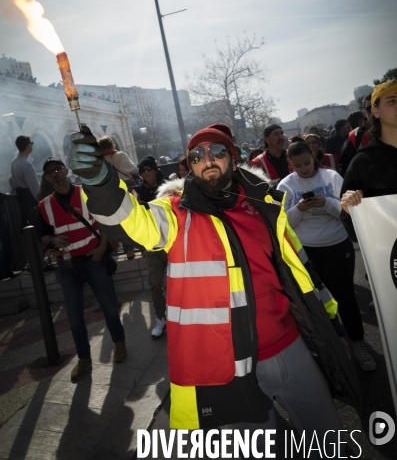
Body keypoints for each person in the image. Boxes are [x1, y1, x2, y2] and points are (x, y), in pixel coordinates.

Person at [69, 122, 359, 455]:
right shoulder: (175, 214)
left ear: (233, 159)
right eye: (197, 154)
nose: (207, 159)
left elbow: (304, 272)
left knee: (329, 440)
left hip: (291, 347)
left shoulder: (266, 205)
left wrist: (333, 327)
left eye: (218, 151)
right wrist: (98, 179)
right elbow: (129, 222)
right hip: (228, 367)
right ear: (189, 165)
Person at [277, 141, 376, 372]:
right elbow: (283, 224)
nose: (304, 169)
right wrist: (299, 209)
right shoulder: (285, 185)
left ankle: (359, 345)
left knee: (345, 298)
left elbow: (349, 211)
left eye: (308, 163)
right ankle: (334, 348)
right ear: (290, 164)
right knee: (317, 303)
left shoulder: (331, 177)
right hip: (306, 251)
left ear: (314, 157)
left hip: (337, 245)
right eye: (298, 165)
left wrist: (327, 203)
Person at [38, 157, 126, 379]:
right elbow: (43, 233)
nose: (54, 174)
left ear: (66, 171)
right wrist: (52, 241)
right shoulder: (44, 205)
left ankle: (120, 343)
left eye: (57, 169)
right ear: (47, 178)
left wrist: (102, 247)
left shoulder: (85, 193)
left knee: (108, 305)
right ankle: (84, 359)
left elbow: (104, 219)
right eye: (49, 173)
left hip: (92, 258)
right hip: (67, 265)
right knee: (74, 316)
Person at [341, 79, 397, 211]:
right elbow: (354, 222)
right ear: (375, 111)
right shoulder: (362, 163)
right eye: (392, 100)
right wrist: (350, 209)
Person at [132, 156, 168, 338]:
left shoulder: (168, 186)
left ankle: (182, 317)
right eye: (143, 170)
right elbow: (134, 217)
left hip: (171, 242)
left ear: (155, 169)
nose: (146, 173)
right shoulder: (137, 192)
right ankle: (161, 317)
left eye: (149, 169)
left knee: (178, 283)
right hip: (152, 245)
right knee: (155, 284)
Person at [338, 94, 372, 177]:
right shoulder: (356, 137)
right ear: (364, 113)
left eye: (378, 106)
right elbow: (346, 169)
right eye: (369, 108)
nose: (374, 111)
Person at [10, 135, 39, 227]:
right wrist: (42, 202)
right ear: (28, 145)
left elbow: (12, 181)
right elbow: (35, 188)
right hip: (30, 201)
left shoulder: (14, 162)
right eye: (31, 143)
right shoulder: (26, 164)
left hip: (22, 201)